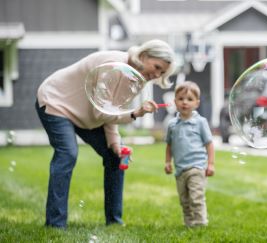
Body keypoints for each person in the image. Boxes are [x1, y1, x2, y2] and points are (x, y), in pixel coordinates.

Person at [35, 39, 175, 229]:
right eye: (157, 67)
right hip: (56, 102)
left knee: (115, 156)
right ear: (144, 55)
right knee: (67, 153)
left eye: (162, 72)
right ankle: (55, 224)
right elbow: (101, 112)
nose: (156, 75)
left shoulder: (137, 78)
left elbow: (112, 109)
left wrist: (115, 144)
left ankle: (114, 221)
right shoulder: (112, 65)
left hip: (85, 114)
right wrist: (136, 113)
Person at [164, 81, 215, 227]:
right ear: (175, 102)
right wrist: (167, 162)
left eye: (189, 99)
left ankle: (200, 223)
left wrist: (210, 164)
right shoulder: (172, 124)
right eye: (181, 99)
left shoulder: (200, 122)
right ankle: (189, 223)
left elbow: (209, 144)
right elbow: (169, 145)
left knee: (196, 197)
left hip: (197, 167)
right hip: (180, 169)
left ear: (197, 103)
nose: (185, 102)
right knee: (184, 200)